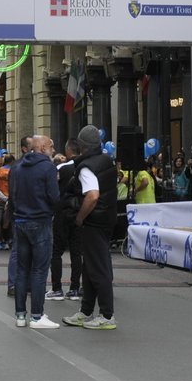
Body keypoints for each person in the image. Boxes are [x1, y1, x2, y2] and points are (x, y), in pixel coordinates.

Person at [62, 126, 119, 330]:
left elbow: (92, 195)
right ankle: (86, 311)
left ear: (82, 146)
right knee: (90, 268)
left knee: (98, 268)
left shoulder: (86, 167)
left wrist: (79, 217)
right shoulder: (106, 160)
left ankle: (106, 315)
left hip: (93, 222)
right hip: (106, 219)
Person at [9, 135, 60, 329]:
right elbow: (54, 196)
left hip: (21, 220)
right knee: (39, 270)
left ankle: (20, 315)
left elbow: (12, 194)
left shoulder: (18, 166)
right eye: (51, 146)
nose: (53, 150)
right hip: (40, 220)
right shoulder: (47, 167)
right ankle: (37, 316)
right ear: (42, 148)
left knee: (22, 269)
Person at [49, 141, 83, 302]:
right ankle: (75, 288)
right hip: (80, 213)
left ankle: (57, 289)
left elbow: (52, 189)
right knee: (77, 252)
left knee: (56, 252)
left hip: (62, 212)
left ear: (68, 150)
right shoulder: (84, 168)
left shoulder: (61, 168)